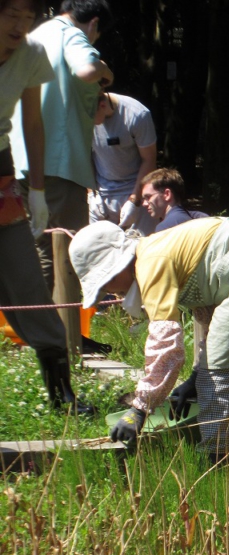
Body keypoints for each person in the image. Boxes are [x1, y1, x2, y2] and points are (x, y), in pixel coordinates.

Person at [68, 215, 229, 457]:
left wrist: (139, 409)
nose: (109, 292)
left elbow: (165, 346)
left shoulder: (150, 262)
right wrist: (195, 377)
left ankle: (218, 464)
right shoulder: (162, 248)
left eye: (104, 283)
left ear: (116, 265)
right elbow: (216, 318)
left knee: (219, 379)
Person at [0, 0, 92, 415]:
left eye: (27, 14)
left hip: (3, 178)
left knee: (27, 280)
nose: (20, 24)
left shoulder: (32, 53)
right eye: (10, 14)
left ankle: (62, 398)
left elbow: (32, 123)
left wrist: (36, 191)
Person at [9, 0, 114, 290]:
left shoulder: (35, 35)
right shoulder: (72, 34)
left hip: (21, 160)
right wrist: (106, 70)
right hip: (61, 162)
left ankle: (34, 330)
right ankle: (66, 333)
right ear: (94, 24)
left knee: (39, 247)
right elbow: (87, 70)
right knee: (71, 249)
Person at [89, 91, 156, 234]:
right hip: (101, 194)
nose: (87, 123)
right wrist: (90, 193)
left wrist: (135, 200)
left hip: (135, 188)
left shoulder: (137, 115)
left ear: (102, 105)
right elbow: (84, 157)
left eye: (90, 118)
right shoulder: (82, 116)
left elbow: (149, 160)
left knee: (140, 247)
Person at [139, 167, 207, 233]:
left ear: (167, 194)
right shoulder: (200, 218)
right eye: (143, 199)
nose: (144, 204)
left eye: (148, 197)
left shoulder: (165, 228)